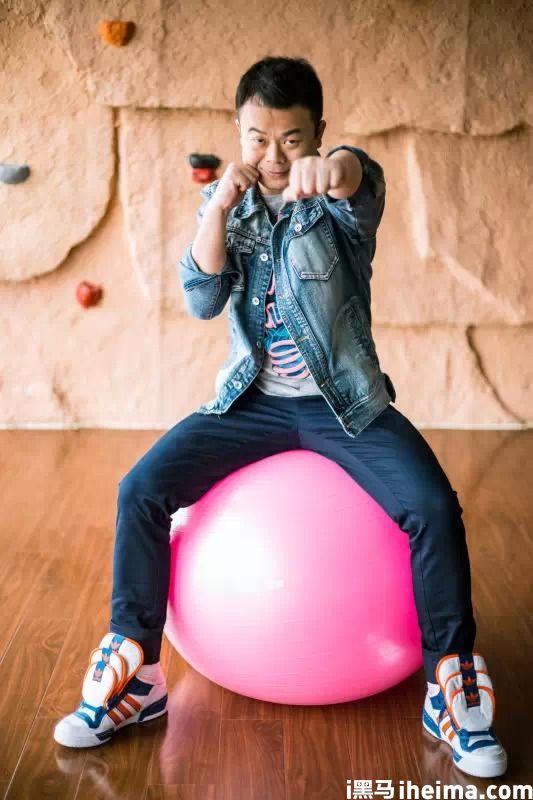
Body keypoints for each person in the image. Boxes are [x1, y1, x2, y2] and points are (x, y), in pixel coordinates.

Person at [54, 56, 507, 778]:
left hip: (342, 405)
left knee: (430, 505)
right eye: (257, 138)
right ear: (238, 132)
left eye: (291, 140)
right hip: (250, 405)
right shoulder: (231, 208)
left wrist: (333, 168)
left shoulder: (336, 203)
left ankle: (448, 685)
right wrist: (216, 208)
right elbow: (202, 299)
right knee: (139, 489)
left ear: (316, 132)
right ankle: (136, 676)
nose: (272, 155)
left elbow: (361, 179)